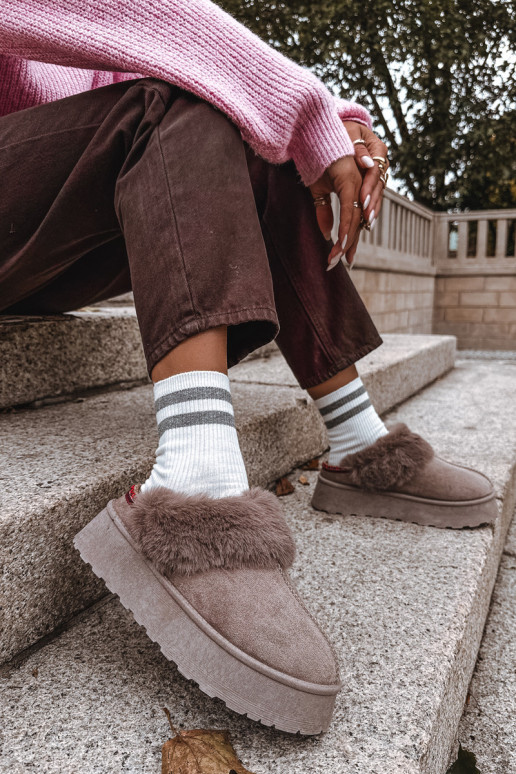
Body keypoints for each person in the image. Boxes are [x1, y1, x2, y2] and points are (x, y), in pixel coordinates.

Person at [1, 0, 498, 735]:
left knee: (245, 130)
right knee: (171, 107)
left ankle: (357, 437)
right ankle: (194, 477)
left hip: (42, 238)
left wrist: (329, 123)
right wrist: (312, 112)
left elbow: (178, 50)